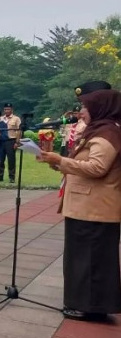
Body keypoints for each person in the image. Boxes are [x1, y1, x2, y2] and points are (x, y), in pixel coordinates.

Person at [39, 86, 121, 321]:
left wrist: (61, 160)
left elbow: (97, 168)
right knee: (84, 258)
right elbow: (81, 163)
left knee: (91, 260)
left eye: (86, 106)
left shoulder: (107, 134)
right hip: (88, 206)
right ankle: (89, 304)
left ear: (101, 107)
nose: (82, 111)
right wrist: (55, 162)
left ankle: (89, 306)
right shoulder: (101, 130)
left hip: (95, 207)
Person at [0, 103, 22, 183]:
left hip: (11, 140)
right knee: (0, 159)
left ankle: (12, 177)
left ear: (12, 110)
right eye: (5, 109)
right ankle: (0, 176)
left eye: (8, 109)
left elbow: (19, 131)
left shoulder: (16, 119)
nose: (6, 111)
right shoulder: (1, 118)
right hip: (1, 141)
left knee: (11, 160)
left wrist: (17, 142)